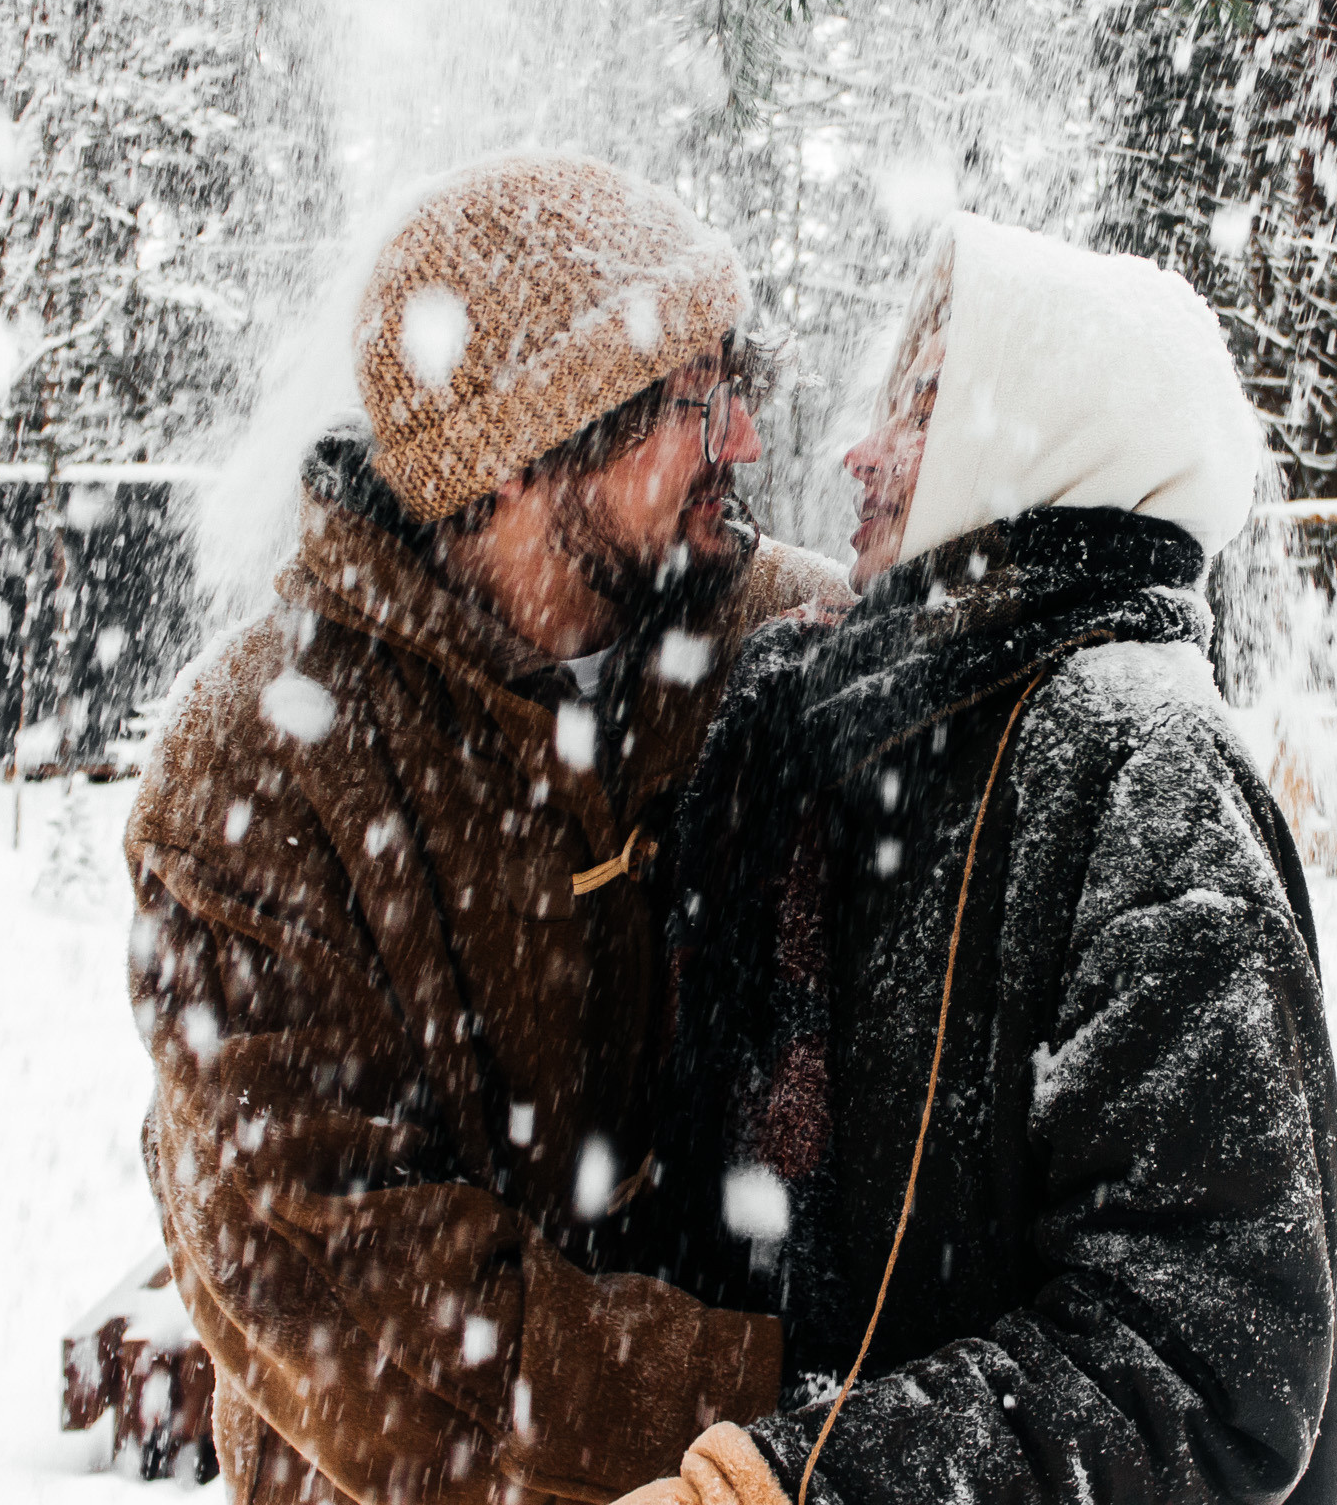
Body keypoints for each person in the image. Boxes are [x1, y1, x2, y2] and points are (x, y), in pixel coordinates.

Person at [125, 153, 847, 1505]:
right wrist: (781, 1409)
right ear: (522, 456)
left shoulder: (785, 645)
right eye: (694, 403)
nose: (745, 440)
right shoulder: (259, 761)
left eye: (738, 389)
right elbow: (335, 1288)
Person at [627, 214, 1337, 1505]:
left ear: (1044, 439)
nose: (860, 452)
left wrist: (802, 1487)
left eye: (919, 409)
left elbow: (1203, 1363)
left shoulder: (1148, 772)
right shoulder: (877, 731)